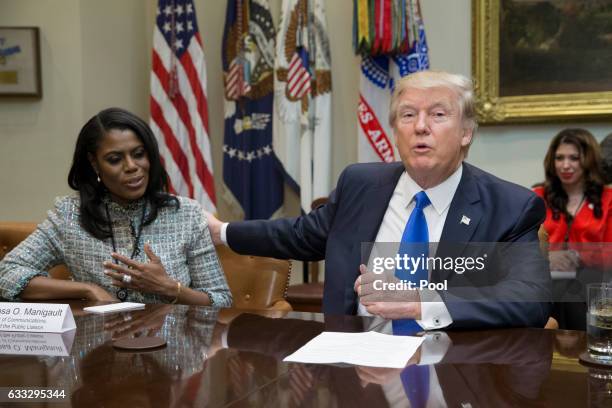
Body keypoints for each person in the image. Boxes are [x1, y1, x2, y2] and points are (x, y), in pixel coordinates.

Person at [207, 70, 551, 329]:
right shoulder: (361, 184)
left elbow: (531, 299)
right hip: (352, 367)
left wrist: (421, 301)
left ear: (465, 133)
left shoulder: (509, 207)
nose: (420, 126)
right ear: (394, 131)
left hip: (450, 371)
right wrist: (222, 232)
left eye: (438, 115)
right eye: (407, 114)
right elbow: (300, 234)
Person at [0, 108, 232, 307]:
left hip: (173, 351)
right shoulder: (69, 215)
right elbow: (7, 274)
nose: (132, 166)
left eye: (139, 154)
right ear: (94, 163)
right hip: (98, 351)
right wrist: (86, 289)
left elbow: (221, 300)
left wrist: (170, 288)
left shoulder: (186, 214)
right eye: (114, 159)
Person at [533, 128, 611, 329]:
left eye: (574, 158)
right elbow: (519, 247)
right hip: (545, 284)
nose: (565, 165)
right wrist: (548, 257)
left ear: (589, 160)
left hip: (593, 286)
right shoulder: (537, 197)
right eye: (559, 158)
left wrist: (578, 256)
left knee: (573, 294)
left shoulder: (608, 199)